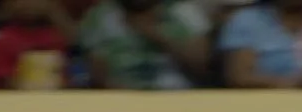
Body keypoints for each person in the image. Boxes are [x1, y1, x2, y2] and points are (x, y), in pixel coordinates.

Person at [76, 0, 211, 90]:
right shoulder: (100, 15)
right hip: (121, 100)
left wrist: (156, 36)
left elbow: (201, 65)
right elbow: (99, 76)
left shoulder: (184, 12)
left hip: (178, 97)